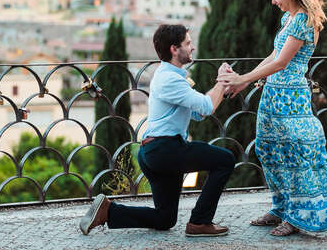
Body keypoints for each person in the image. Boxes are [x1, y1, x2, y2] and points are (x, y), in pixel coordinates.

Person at [218, 0, 327, 236]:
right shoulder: (288, 18)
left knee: (293, 155)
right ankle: (280, 208)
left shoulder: (303, 22)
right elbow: (273, 55)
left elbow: (283, 63)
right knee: (268, 150)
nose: (273, 2)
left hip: (290, 98)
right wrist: (246, 81)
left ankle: (297, 216)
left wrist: (243, 77)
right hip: (272, 95)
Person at [79, 24, 235, 237]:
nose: (193, 48)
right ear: (174, 49)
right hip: (166, 149)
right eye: (188, 43)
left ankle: (108, 211)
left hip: (155, 151)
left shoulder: (171, 77)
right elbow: (207, 106)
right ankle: (200, 222)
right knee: (225, 160)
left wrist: (222, 89)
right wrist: (221, 80)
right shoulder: (169, 79)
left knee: (165, 219)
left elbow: (199, 113)